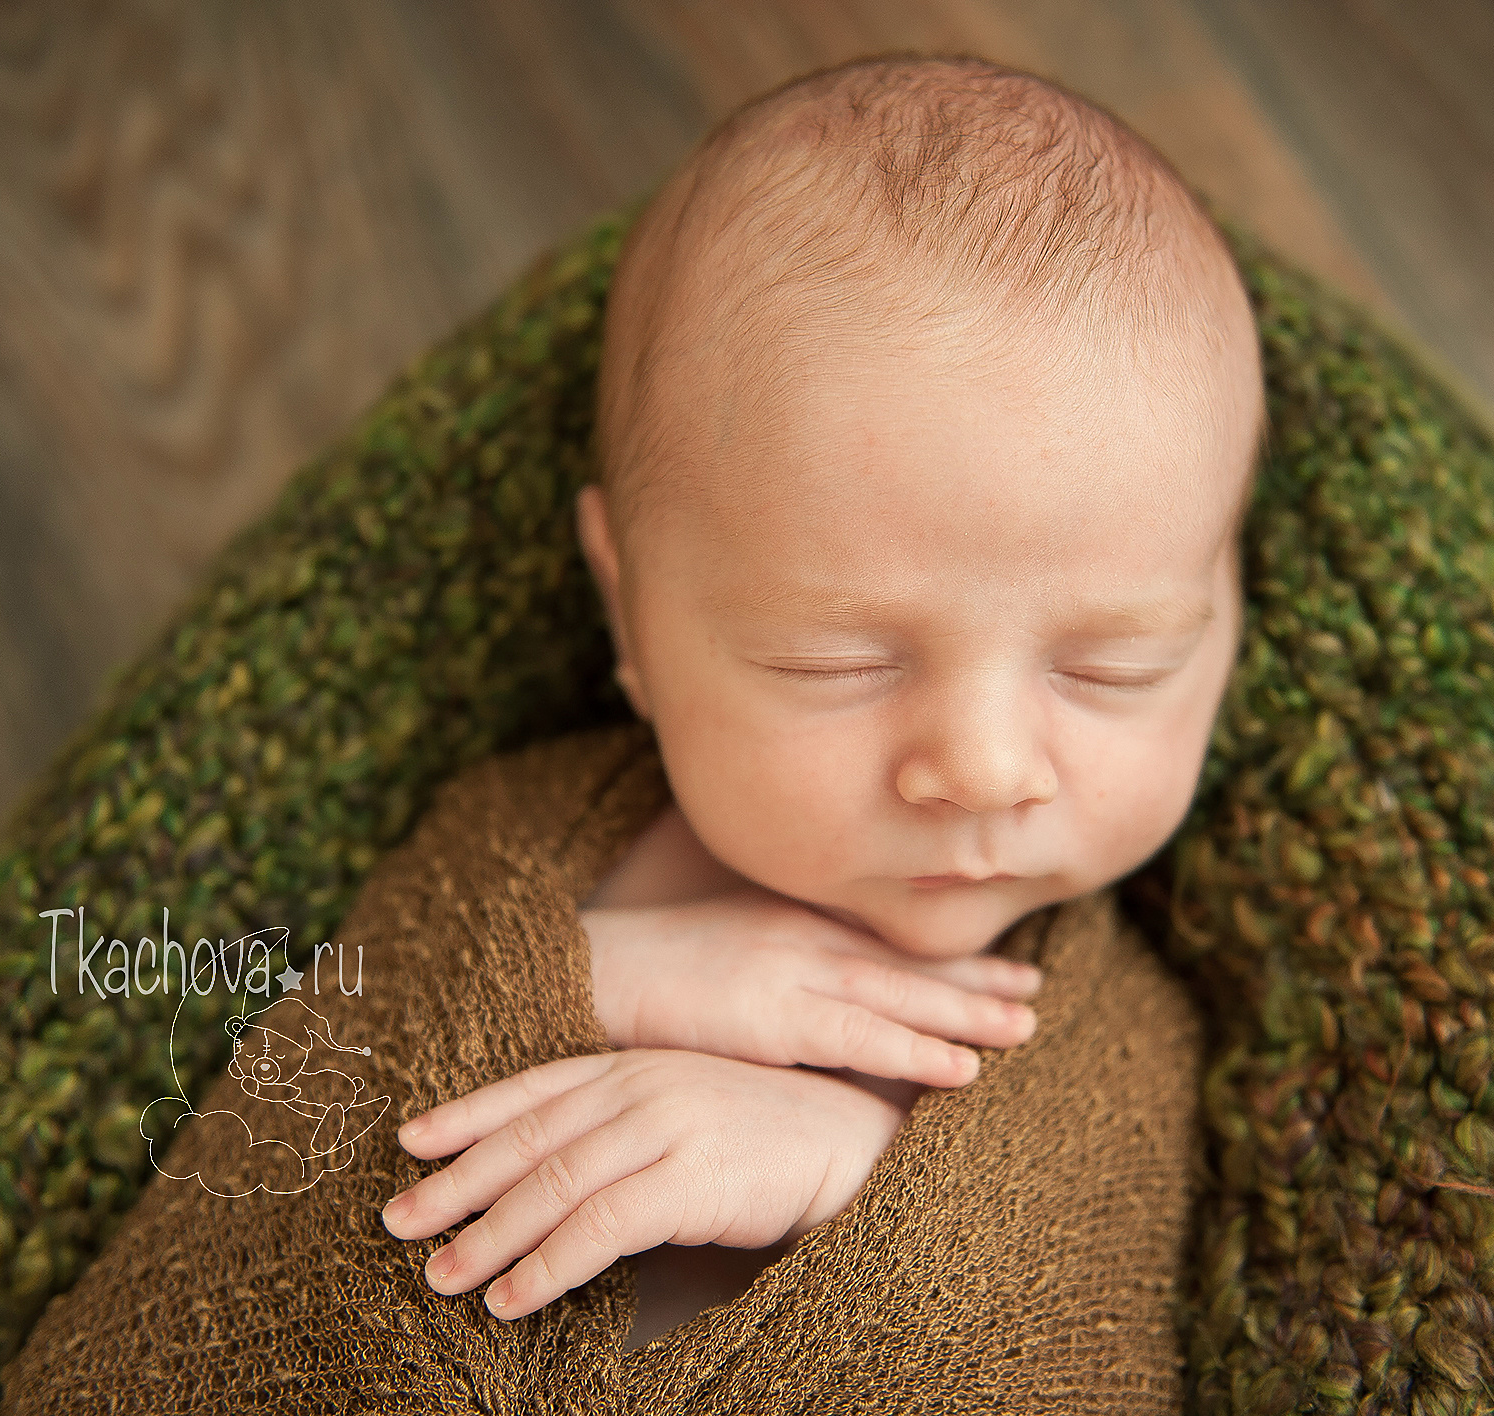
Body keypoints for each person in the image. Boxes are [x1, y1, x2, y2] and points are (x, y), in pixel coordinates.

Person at [374, 51, 1266, 1352]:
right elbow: (235, 1027)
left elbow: (1101, 1333)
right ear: (628, 613)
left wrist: (849, 1175)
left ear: (1224, 624)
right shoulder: (512, 837)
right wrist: (579, 973)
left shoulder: (1123, 1047)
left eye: (1112, 669)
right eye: (835, 665)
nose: (982, 766)